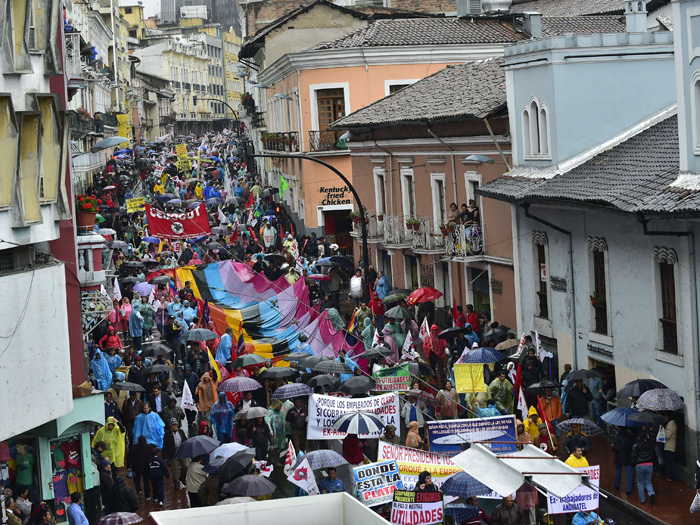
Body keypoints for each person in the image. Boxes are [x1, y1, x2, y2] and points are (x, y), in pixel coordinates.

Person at [632, 426, 656, 505]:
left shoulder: (636, 445)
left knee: (640, 483)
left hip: (640, 465)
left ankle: (642, 499)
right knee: (648, 482)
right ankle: (651, 493)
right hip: (649, 464)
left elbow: (634, 456)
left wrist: (633, 463)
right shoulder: (650, 444)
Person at [163, 418, 188, 491]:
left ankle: (182, 478)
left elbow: (185, 440)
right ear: (170, 425)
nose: (175, 426)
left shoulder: (181, 432)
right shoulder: (167, 434)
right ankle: (176, 484)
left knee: (186, 465)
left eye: (176, 424)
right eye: (173, 425)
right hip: (173, 453)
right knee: (175, 469)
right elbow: (165, 445)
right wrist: (166, 457)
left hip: (182, 451)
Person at [612, 427, 634, 494]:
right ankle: (629, 489)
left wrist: (612, 446)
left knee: (618, 471)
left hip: (619, 457)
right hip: (628, 457)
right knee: (629, 474)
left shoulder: (618, 437)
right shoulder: (630, 437)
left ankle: (617, 485)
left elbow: (615, 448)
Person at [663, 413, 678, 481]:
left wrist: (663, 430)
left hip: (670, 446)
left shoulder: (671, 424)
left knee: (670, 462)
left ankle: (671, 476)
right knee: (669, 461)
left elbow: (668, 435)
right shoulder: (671, 424)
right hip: (669, 446)